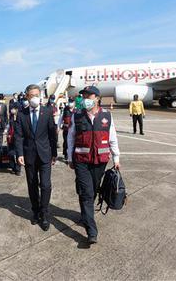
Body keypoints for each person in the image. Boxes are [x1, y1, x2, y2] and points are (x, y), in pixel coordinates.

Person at [67, 86, 120, 244]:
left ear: (97, 98)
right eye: (84, 96)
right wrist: (70, 158)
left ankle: (85, 216)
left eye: (89, 96)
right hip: (81, 161)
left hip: (100, 161)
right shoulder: (76, 115)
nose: (86, 99)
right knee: (87, 192)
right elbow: (70, 138)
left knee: (93, 190)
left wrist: (116, 158)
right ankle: (91, 231)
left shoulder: (106, 115)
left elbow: (112, 137)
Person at [15, 84, 57, 231]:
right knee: (32, 185)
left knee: (45, 185)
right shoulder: (22, 114)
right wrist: (19, 153)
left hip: (45, 154)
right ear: (27, 97)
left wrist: (54, 154)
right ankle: (35, 211)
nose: (34, 98)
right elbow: (18, 136)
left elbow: (52, 134)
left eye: (36, 95)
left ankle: (45, 214)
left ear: (40, 96)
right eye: (31, 95)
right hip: (29, 155)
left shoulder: (47, 111)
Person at [6, 101, 21, 176]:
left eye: (14, 108)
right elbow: (9, 125)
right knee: (10, 153)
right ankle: (13, 167)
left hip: (18, 138)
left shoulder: (21, 117)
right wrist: (7, 132)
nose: (12, 110)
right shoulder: (11, 116)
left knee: (18, 154)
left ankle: (18, 169)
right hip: (10, 137)